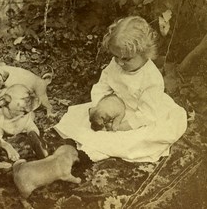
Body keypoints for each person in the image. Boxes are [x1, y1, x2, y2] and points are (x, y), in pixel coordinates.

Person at [52, 16, 187, 162]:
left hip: (142, 113)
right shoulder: (116, 63)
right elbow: (103, 84)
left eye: (126, 59)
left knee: (130, 140)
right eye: (116, 57)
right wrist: (99, 104)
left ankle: (84, 156)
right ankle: (63, 149)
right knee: (82, 120)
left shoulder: (151, 79)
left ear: (145, 53)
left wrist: (122, 127)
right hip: (117, 106)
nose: (120, 63)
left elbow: (146, 115)